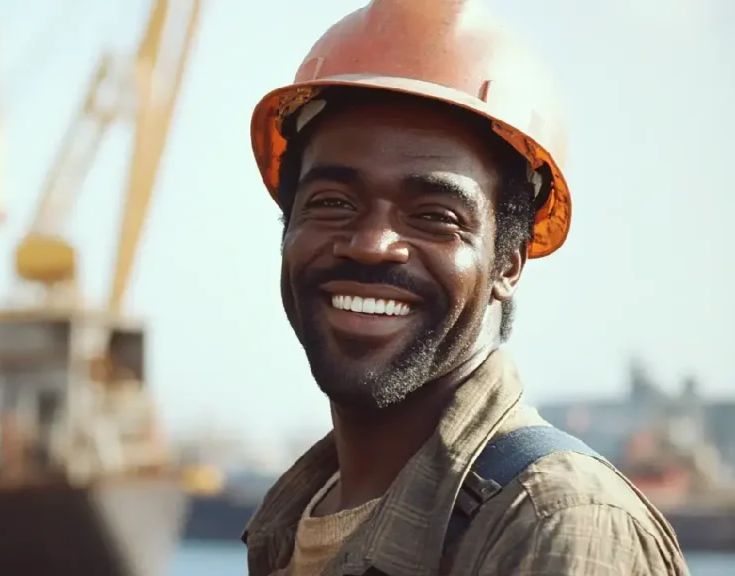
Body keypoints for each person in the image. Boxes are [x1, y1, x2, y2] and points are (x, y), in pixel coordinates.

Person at [242, 1, 689, 575]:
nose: (372, 244)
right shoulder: (295, 521)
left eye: (435, 216)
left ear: (508, 264)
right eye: (332, 203)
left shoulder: (558, 525)